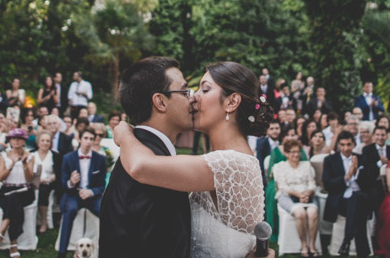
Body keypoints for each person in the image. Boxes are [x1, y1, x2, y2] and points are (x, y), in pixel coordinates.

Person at [113, 61, 274, 258]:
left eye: (205, 90)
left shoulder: (232, 164)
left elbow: (140, 167)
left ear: (231, 102)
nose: (193, 97)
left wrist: (124, 133)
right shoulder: (220, 162)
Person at [98, 56, 194, 258]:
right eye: (185, 91)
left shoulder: (139, 153)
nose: (192, 98)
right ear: (160, 101)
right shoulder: (155, 174)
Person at [57, 129, 107, 258]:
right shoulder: (68, 158)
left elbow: (102, 185)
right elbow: (63, 184)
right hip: (74, 195)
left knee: (106, 212)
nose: (88, 142)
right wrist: (71, 182)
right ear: (80, 139)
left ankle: (107, 248)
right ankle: (62, 252)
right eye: (86, 138)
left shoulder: (100, 159)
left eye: (91, 139)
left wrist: (91, 192)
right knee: (70, 210)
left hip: (92, 197)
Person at [323, 132, 370, 257]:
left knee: (357, 197)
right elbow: (327, 184)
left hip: (360, 197)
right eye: (342, 145)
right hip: (340, 200)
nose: (346, 148)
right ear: (338, 145)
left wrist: (356, 174)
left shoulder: (362, 158)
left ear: (354, 144)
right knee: (357, 202)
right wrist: (347, 176)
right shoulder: (330, 160)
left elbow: (369, 183)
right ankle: (363, 251)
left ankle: (346, 240)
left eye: (349, 144)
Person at [0, 128, 35, 257]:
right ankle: (13, 244)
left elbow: (29, 178)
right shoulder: (4, 156)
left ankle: (0, 233)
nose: (16, 141)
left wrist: (25, 163)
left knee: (15, 199)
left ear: (23, 141)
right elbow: (0, 178)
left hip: (25, 189)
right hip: (8, 189)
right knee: (14, 203)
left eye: (19, 138)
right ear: (10, 140)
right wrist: (12, 165)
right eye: (13, 138)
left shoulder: (30, 156)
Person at [272, 139, 319, 257]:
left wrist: (307, 193)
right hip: (287, 196)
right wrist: (299, 195)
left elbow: (312, 184)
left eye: (298, 152)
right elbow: (282, 187)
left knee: (313, 212)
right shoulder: (280, 166)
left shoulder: (306, 165)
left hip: (306, 195)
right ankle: (303, 245)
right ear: (286, 153)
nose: (296, 154)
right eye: (292, 152)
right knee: (300, 213)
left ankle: (312, 246)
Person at [358, 125, 390, 216]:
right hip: (374, 183)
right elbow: (367, 172)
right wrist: (379, 163)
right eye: (378, 135)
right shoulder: (367, 150)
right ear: (373, 136)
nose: (380, 137)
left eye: (383, 135)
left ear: (387, 136)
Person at [31, 130, 56, 234]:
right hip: (32, 182)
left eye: (47, 141)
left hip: (48, 183)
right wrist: (36, 180)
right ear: (38, 142)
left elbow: (57, 173)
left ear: (50, 143)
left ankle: (44, 222)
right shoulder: (31, 155)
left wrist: (48, 179)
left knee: (43, 192)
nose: (45, 143)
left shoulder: (54, 155)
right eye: (43, 140)